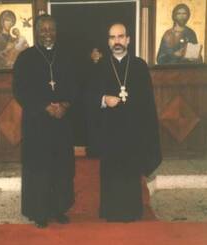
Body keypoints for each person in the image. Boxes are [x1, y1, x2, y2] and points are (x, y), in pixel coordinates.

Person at [86, 23, 162, 222]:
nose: (117, 41)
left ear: (128, 39)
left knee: (131, 170)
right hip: (109, 131)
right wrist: (103, 99)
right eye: (112, 37)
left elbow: (147, 102)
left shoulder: (139, 66)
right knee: (111, 172)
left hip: (133, 131)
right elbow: (88, 97)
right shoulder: (99, 67)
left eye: (120, 37)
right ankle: (110, 211)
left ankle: (132, 211)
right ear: (108, 42)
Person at [12, 14, 76, 228]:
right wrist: (45, 107)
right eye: (43, 29)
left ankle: (59, 209)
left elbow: (78, 85)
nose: (47, 33)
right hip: (37, 123)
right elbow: (20, 90)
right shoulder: (25, 58)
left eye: (51, 29)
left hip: (62, 124)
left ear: (56, 31)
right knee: (39, 168)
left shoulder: (67, 56)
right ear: (36, 31)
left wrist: (65, 105)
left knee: (60, 167)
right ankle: (39, 212)